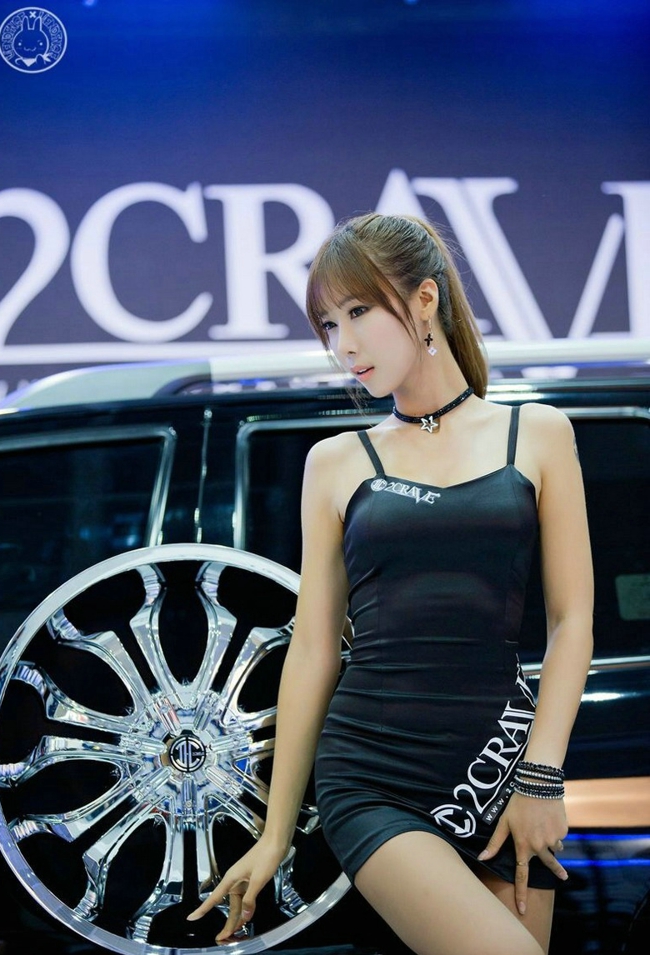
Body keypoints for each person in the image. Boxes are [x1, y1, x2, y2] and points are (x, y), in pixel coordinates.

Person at [187, 213, 594, 955]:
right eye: (328, 324)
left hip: (500, 761)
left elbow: (573, 622)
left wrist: (541, 776)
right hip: (373, 775)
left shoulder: (537, 434)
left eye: (358, 312)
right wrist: (276, 833)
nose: (343, 345)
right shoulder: (336, 462)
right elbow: (314, 649)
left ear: (425, 299)